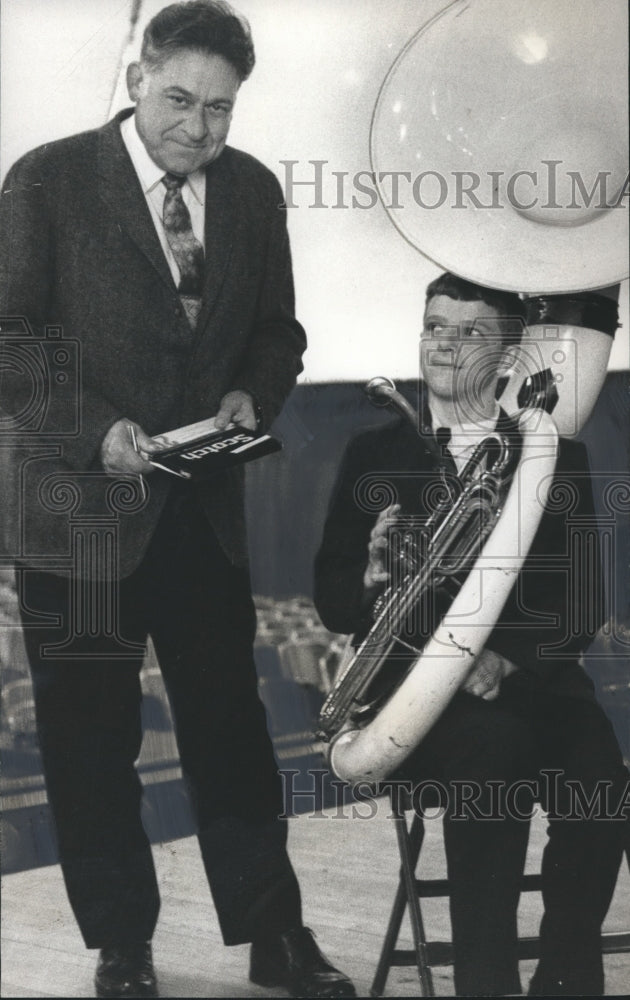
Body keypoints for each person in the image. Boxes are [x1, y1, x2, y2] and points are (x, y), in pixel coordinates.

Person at [0, 3, 355, 997]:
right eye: (179, 100)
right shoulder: (46, 179)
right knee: (89, 741)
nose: (197, 128)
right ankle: (124, 945)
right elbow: (13, 344)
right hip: (74, 513)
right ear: (136, 77)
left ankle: (276, 935)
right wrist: (95, 433)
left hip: (198, 514)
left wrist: (255, 391)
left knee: (229, 731)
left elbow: (278, 332)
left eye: (220, 109)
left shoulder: (252, 193)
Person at [314, 272, 629, 997]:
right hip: (421, 704)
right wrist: (367, 574)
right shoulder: (372, 454)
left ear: (511, 357)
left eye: (470, 331)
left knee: (601, 781)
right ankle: (485, 985)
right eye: (435, 326)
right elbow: (330, 600)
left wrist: (509, 660)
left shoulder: (558, 456)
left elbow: (581, 603)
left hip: (539, 687)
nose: (444, 344)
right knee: (493, 754)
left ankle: (567, 973)